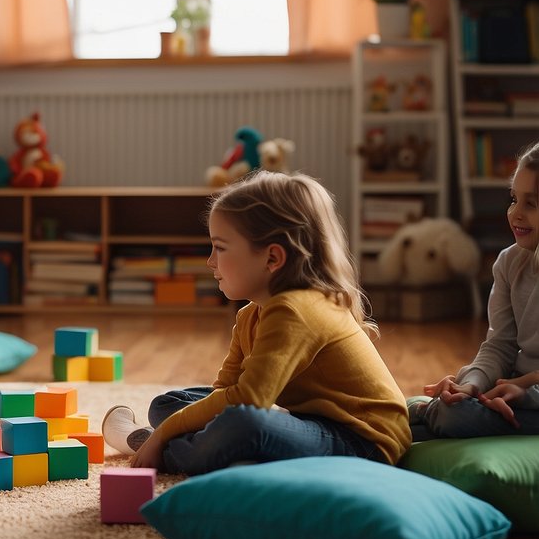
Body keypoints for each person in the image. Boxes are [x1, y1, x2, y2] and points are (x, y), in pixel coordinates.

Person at [101, 169, 410, 474]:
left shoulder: (295, 310)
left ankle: (150, 444)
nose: (210, 261)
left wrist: (166, 432)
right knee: (168, 405)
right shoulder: (251, 314)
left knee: (243, 423)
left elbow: (248, 400)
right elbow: (225, 389)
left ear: (272, 259)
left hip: (365, 444)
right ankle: (216, 451)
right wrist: (176, 421)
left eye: (220, 247)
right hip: (314, 422)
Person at [409, 142, 539, 439]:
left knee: (453, 418)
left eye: (530, 204)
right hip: (515, 392)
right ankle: (426, 416)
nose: (515, 214)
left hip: (527, 397)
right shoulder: (509, 262)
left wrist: (525, 390)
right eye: (514, 199)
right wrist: (472, 385)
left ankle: (422, 414)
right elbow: (499, 346)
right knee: (455, 410)